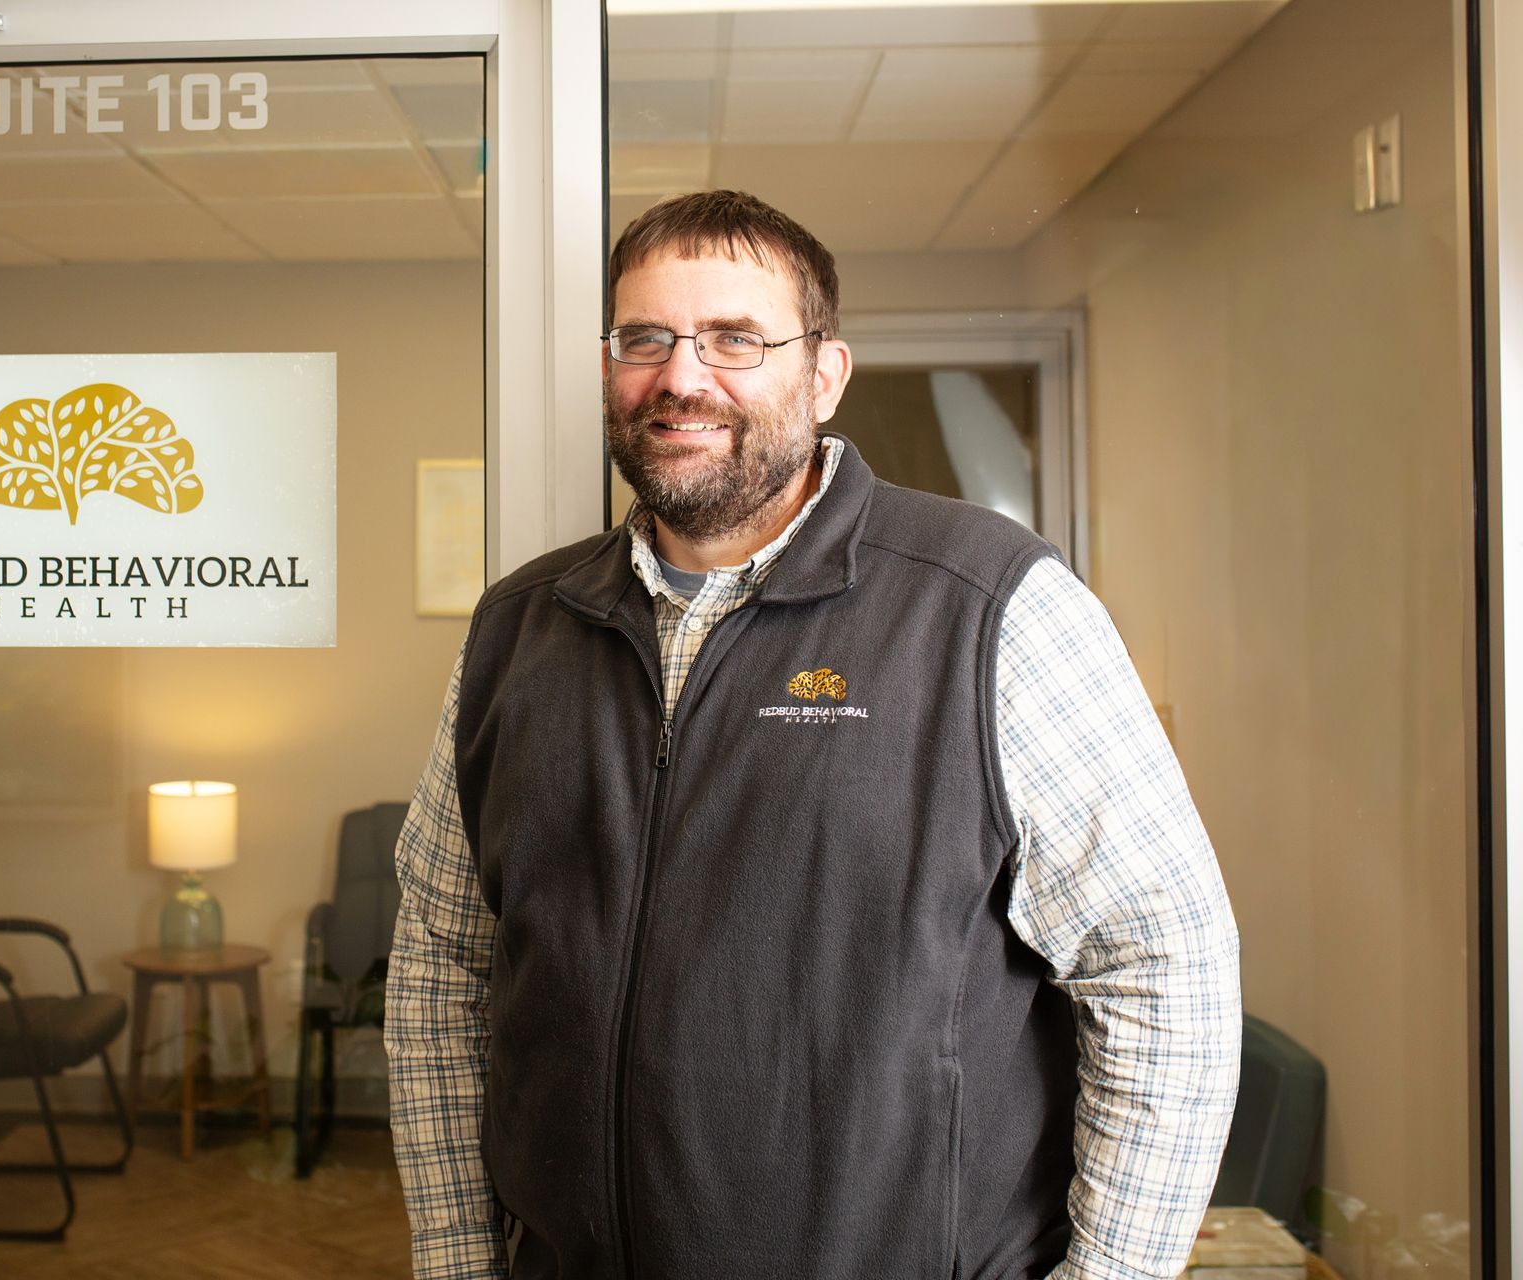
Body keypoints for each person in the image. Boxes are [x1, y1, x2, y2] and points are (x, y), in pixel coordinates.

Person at [385, 189, 1240, 1280]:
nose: (681, 376)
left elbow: (1165, 959)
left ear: (825, 375)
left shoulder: (987, 602)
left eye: (735, 338)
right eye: (646, 337)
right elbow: (442, 962)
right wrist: (458, 1255)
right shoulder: (519, 629)